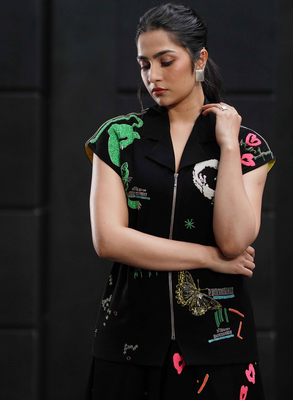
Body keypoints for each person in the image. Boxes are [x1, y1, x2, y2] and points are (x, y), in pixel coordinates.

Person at [84, 4, 275, 399]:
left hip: (219, 344)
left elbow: (234, 241)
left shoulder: (247, 146)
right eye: (144, 64)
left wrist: (227, 146)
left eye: (165, 61)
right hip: (129, 343)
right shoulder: (118, 138)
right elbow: (108, 240)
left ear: (199, 59)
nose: (152, 76)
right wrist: (208, 258)